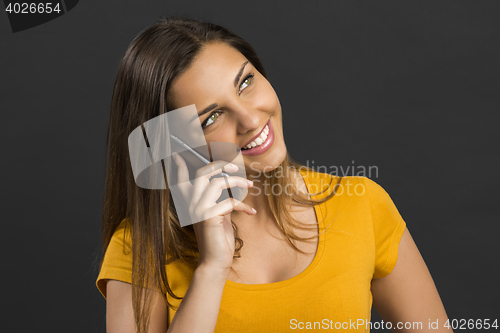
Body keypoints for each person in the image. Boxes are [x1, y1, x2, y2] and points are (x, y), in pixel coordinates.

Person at [96, 17, 452, 333]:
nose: (251, 120)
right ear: (173, 146)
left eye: (246, 82)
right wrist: (211, 268)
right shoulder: (140, 247)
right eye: (211, 117)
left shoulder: (362, 205)